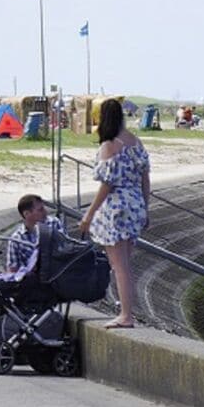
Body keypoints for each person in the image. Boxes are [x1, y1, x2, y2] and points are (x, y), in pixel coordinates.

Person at [80, 98, 150, 329]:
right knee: (126, 264)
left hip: (116, 208)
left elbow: (106, 185)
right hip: (135, 204)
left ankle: (126, 315)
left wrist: (89, 215)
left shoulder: (110, 145)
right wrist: (145, 208)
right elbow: (145, 179)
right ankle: (127, 311)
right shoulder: (135, 141)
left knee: (119, 265)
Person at [0, 194, 63, 283]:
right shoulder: (16, 239)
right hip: (35, 283)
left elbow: (65, 249)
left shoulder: (54, 223)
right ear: (27, 214)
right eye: (40, 210)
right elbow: (12, 270)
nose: (45, 212)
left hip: (57, 276)